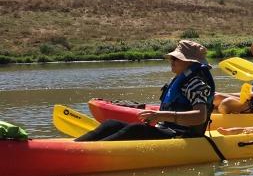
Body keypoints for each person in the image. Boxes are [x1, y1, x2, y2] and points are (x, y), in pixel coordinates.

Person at [77, 40, 215, 141]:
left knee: (135, 129)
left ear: (191, 63)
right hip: (166, 130)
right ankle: (77, 146)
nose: (171, 61)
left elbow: (200, 116)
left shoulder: (196, 84)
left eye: (176, 58)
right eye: (172, 58)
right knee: (111, 124)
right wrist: (158, 117)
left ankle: (86, 152)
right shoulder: (181, 80)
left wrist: (160, 115)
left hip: (183, 135)